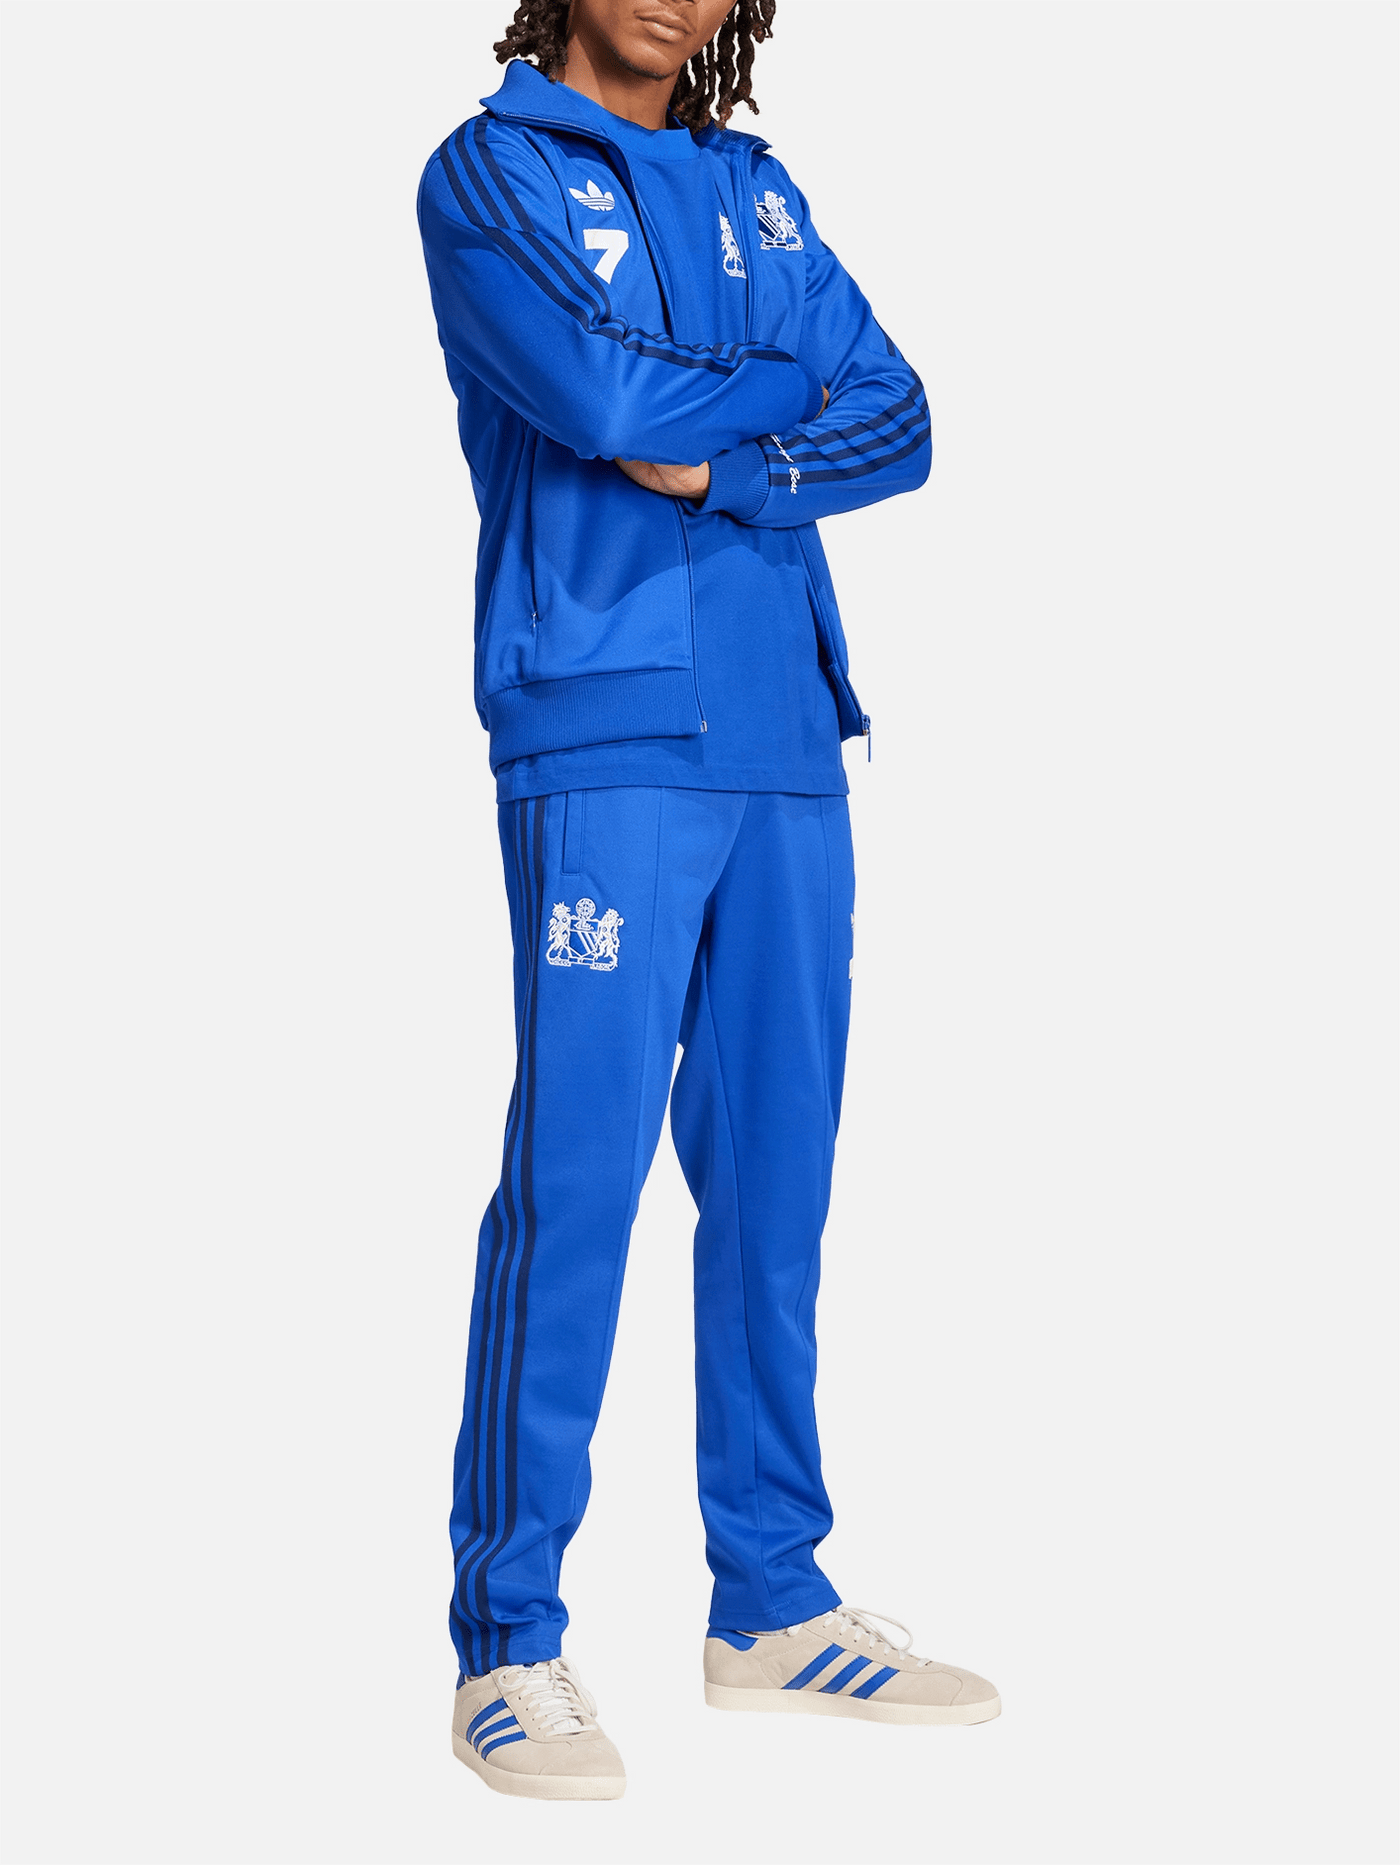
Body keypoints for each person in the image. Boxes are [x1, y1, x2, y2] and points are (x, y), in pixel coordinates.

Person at [418, 0, 999, 1801]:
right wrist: (769, 387)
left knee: (775, 1181)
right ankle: (509, 1639)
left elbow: (900, 413)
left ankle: (771, 1601)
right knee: (578, 1179)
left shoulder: (760, 194)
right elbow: (593, 398)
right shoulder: (492, 174)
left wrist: (730, 451)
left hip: (786, 737)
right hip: (604, 730)